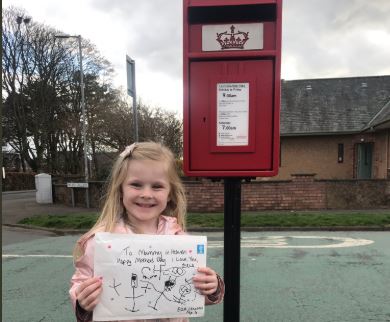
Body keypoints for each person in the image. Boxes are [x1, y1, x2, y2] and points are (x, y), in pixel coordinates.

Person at [69, 142, 224, 322]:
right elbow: (81, 283)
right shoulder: (101, 240)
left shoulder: (178, 237)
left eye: (157, 186)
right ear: (120, 189)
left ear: (170, 194)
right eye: (136, 184)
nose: (146, 194)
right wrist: (82, 301)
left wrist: (212, 287)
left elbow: (190, 293)